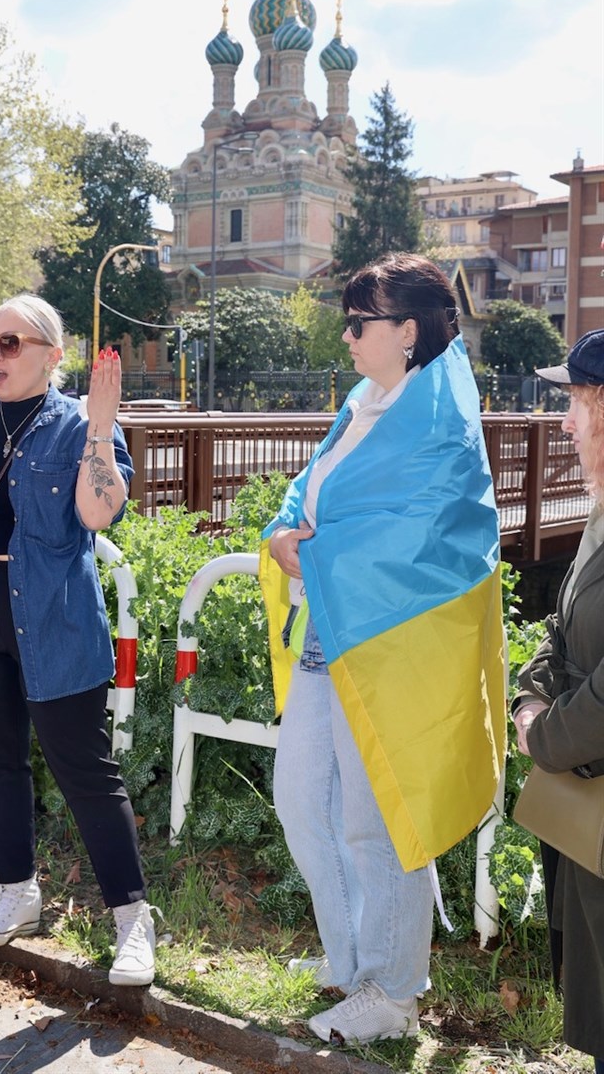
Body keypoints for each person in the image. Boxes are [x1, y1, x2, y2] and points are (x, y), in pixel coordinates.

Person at [259, 253, 505, 1045]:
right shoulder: (367, 401)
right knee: (303, 800)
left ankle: (394, 995)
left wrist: (314, 547)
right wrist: (283, 532)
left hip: (395, 644)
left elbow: (429, 537)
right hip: (332, 630)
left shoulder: (441, 422)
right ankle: (351, 960)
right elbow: (313, 491)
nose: (347, 335)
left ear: (407, 331)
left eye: (358, 323)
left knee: (380, 818)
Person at [0, 293, 156, 985]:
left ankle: (132, 919)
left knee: (85, 768)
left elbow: (96, 514)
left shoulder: (79, 423)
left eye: (10, 343)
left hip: (53, 613)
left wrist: (101, 427)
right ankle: (17, 892)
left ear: (53, 356)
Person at [513, 329, 604, 1072]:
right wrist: (530, 694)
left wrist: (544, 738)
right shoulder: (601, 508)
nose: (564, 422)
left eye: (575, 402)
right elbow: (562, 627)